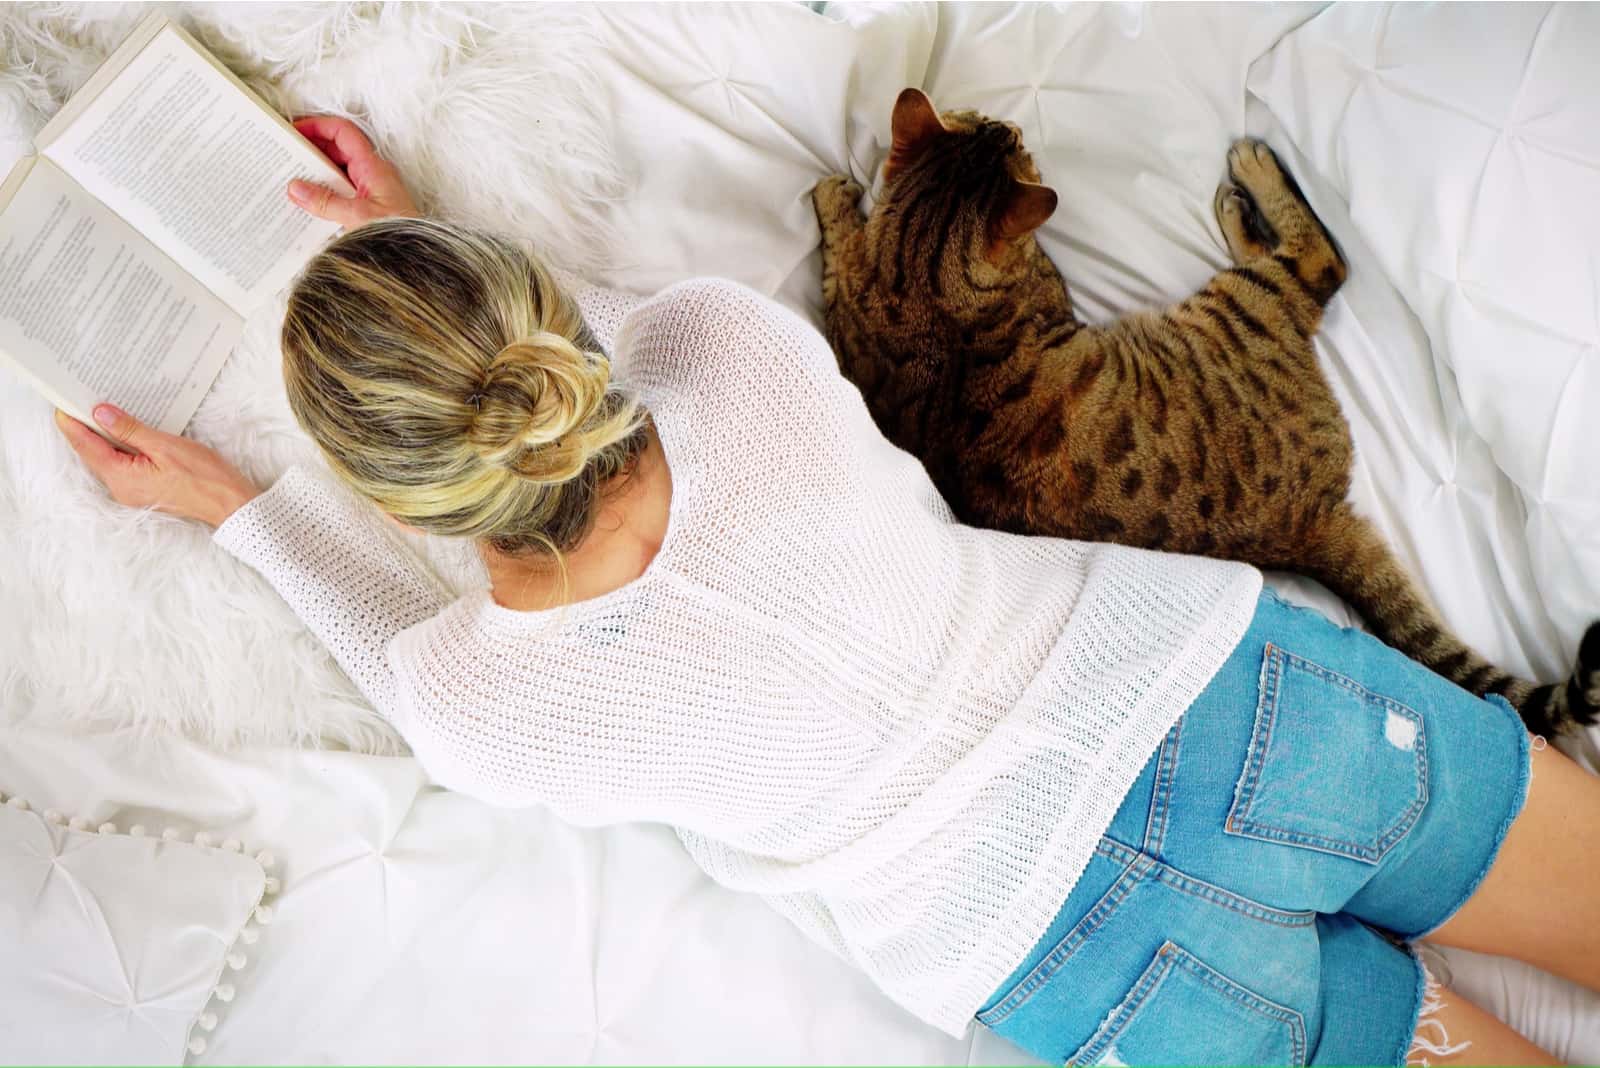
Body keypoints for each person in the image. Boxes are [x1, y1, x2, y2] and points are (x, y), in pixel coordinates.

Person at [55, 115, 1597, 1067]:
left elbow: (399, 659)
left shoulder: (479, 703)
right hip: (1221, 708)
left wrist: (237, 511)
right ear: (538, 335)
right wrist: (417, 234)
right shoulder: (729, 350)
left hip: (1078, 954)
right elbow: (597, 346)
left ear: (401, 501)